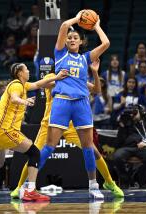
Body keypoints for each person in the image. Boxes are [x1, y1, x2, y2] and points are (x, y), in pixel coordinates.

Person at [10, 60, 123, 199]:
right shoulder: (50, 77)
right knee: (35, 155)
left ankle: (109, 183)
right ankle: (20, 187)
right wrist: (72, 81)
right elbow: (49, 84)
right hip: (50, 123)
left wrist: (93, 73)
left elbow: (95, 89)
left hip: (71, 124)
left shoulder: (75, 76)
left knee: (94, 152)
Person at [34, 10, 110, 199]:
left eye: (76, 37)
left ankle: (93, 185)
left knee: (88, 146)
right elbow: (63, 26)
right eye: (70, 38)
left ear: (82, 42)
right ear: (66, 42)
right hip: (61, 102)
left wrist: (96, 25)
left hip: (82, 104)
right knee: (49, 146)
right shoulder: (60, 54)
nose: (72, 39)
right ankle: (29, 184)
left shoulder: (85, 59)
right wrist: (77, 19)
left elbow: (106, 43)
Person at [0, 63, 68, 201]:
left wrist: (56, 77)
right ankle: (31, 191)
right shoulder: (16, 85)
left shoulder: (23, 86)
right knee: (34, 152)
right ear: (20, 73)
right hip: (3, 128)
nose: (28, 71)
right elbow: (14, 98)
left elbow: (38, 84)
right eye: (26, 69)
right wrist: (24, 102)